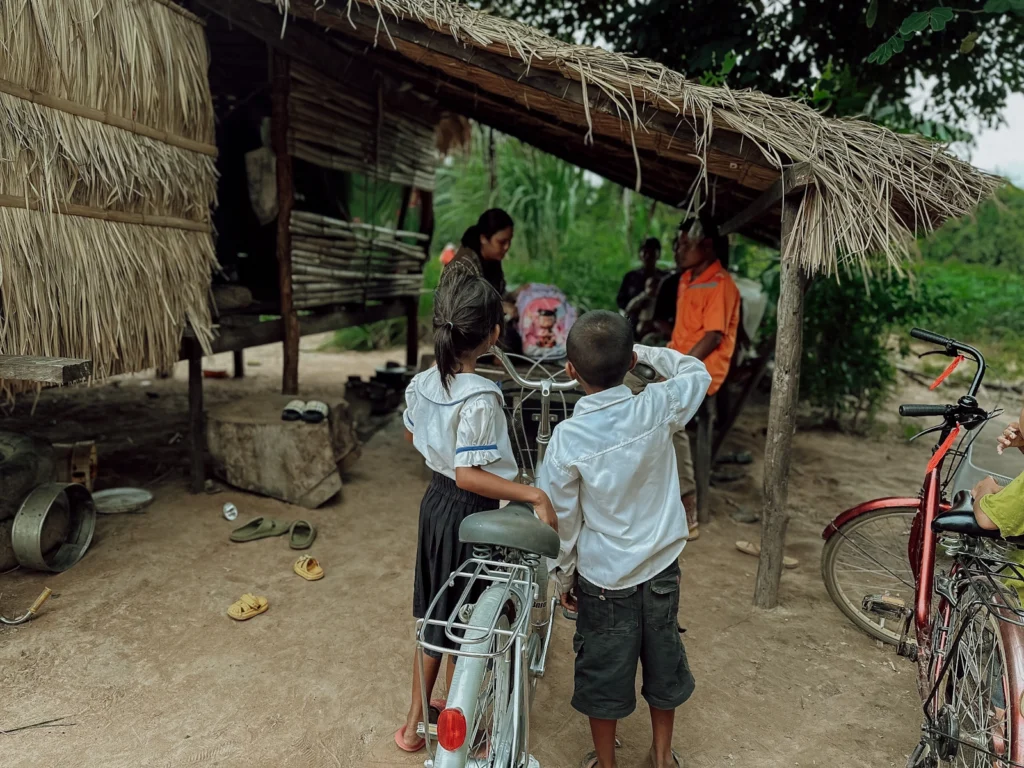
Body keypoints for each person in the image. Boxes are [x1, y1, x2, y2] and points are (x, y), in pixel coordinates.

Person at [538, 310, 711, 768]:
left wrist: (566, 574)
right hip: (660, 570)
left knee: (602, 672)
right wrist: (647, 355)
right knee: (663, 659)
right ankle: (660, 756)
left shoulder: (567, 439)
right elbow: (697, 370)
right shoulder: (658, 405)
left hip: (603, 578)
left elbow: (563, 520)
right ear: (631, 360)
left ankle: (606, 764)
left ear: (570, 371)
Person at [396, 272, 557, 753]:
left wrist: (442, 453)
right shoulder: (482, 396)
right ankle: (461, 728)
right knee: (465, 620)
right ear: (491, 334)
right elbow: (470, 473)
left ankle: (413, 726)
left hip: (435, 505)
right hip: (470, 510)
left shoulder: (424, 382)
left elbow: (413, 437)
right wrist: (531, 495)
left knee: (435, 614)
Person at [665, 212, 741, 540]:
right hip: (679, 362)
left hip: (702, 370)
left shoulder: (720, 284)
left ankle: (688, 506)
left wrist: (677, 370)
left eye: (685, 244)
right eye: (677, 244)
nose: (677, 251)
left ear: (707, 246)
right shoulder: (687, 279)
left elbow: (712, 337)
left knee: (670, 419)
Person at [440, 208, 514, 296]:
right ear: (483, 238)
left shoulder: (493, 260)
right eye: (502, 242)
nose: (507, 247)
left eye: (509, 241)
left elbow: (497, 294)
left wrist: (514, 294)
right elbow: (461, 305)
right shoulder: (464, 265)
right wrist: (500, 307)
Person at [616, 238, 666, 325]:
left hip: (657, 325)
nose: (648, 256)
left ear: (658, 255)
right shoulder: (630, 277)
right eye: (645, 252)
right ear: (640, 254)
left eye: (651, 253)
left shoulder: (664, 278)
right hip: (632, 323)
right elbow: (621, 302)